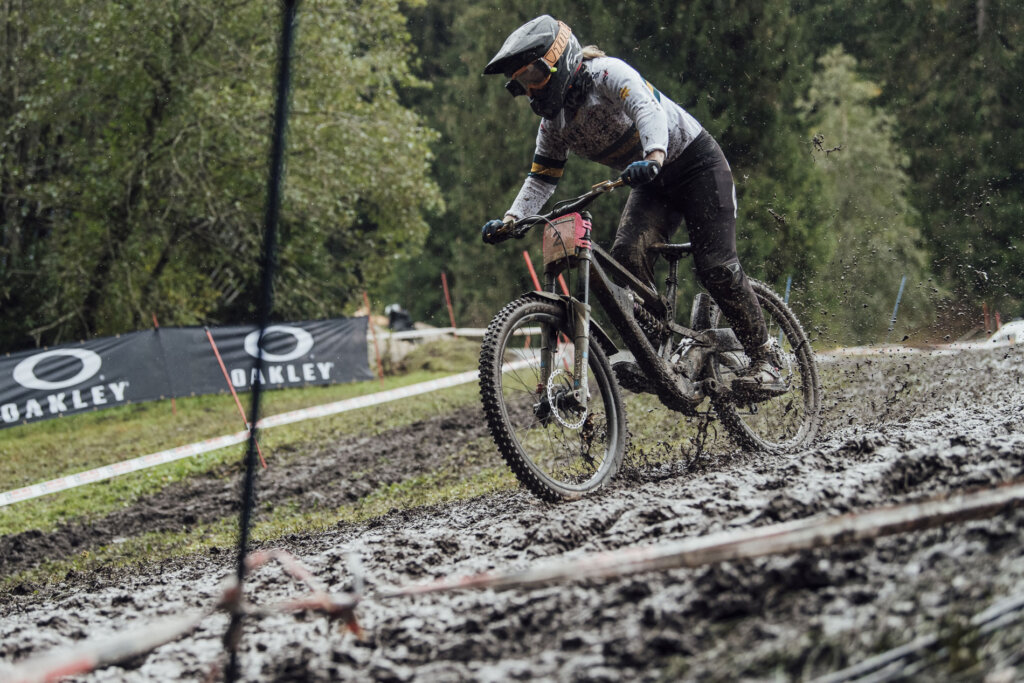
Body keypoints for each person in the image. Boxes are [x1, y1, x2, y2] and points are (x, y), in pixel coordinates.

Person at [480, 15, 785, 396]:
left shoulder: (606, 73)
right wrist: (512, 220)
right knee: (626, 256)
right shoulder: (553, 125)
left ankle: (767, 358)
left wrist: (655, 154)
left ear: (560, 59)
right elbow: (542, 178)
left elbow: (646, 109)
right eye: (521, 83)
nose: (531, 90)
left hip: (694, 164)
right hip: (652, 180)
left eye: (535, 76)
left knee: (716, 266)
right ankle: (662, 354)